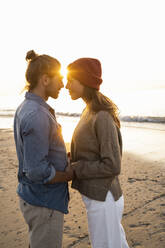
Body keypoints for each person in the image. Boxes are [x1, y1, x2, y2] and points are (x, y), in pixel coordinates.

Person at [66, 58, 130, 248]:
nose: (66, 85)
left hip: (104, 198)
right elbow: (91, 150)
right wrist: (70, 158)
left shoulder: (101, 115)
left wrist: (75, 169)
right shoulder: (89, 110)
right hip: (99, 198)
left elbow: (112, 164)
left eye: (71, 80)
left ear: (84, 82)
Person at [14, 50, 74, 248]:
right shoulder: (36, 114)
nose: (63, 85)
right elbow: (36, 170)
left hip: (36, 198)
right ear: (45, 79)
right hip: (43, 204)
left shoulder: (27, 107)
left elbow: (38, 153)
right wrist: (67, 174)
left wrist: (62, 158)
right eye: (60, 79)